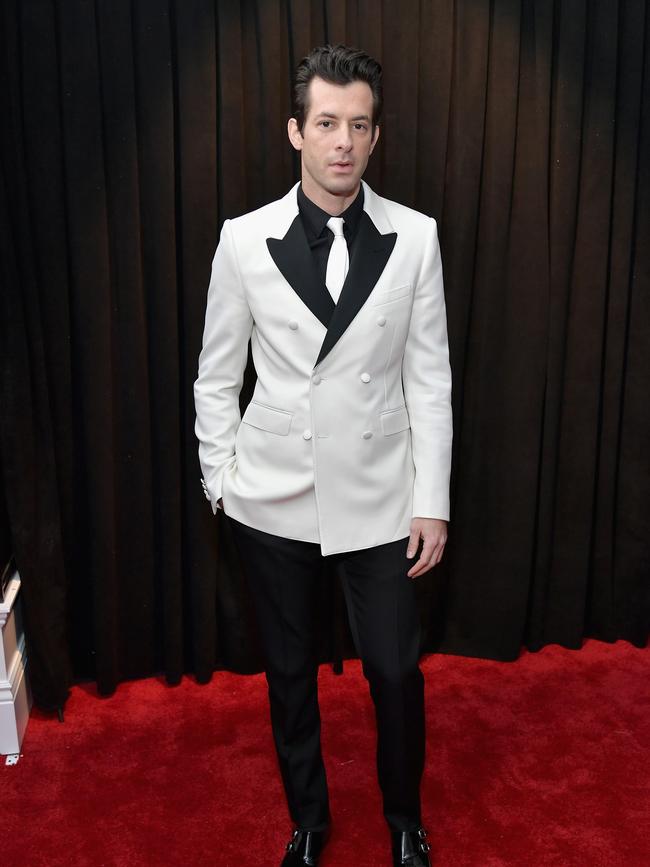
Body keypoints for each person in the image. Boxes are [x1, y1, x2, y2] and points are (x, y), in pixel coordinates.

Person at [194, 43, 452, 867]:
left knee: (394, 672)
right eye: (329, 123)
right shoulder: (243, 241)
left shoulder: (415, 238)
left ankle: (405, 819)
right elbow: (215, 375)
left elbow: (431, 379)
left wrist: (432, 498)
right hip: (272, 496)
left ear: (375, 139)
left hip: (380, 496)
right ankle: (309, 820)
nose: (344, 141)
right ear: (296, 132)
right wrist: (221, 483)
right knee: (290, 674)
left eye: (360, 125)